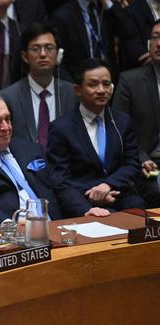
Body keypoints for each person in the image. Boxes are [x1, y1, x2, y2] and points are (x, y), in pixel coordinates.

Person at [0, 94, 109, 234]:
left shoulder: (29, 148)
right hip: (8, 236)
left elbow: (58, 185)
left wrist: (84, 209)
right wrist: (11, 226)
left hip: (54, 228)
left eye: (7, 119)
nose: (5, 127)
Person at [47, 59, 146, 211]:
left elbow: (132, 164)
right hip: (83, 200)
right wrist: (93, 197)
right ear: (77, 89)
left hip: (118, 193)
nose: (101, 90)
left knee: (137, 207)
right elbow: (61, 181)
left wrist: (107, 185)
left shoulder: (122, 121)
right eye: (93, 84)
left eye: (106, 84)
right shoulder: (61, 128)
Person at [0, 23, 77, 147]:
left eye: (49, 48)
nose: (43, 54)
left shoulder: (73, 94)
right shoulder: (7, 98)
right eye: (35, 49)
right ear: (25, 56)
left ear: (58, 54)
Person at [112, 19, 160, 205]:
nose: (158, 43)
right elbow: (118, 128)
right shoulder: (130, 80)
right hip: (145, 163)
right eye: (155, 37)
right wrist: (141, 159)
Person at [50, 0, 137, 80]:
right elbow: (58, 63)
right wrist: (73, 90)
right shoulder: (62, 16)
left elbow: (129, 32)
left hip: (110, 82)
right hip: (79, 85)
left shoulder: (107, 9)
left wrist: (108, 4)